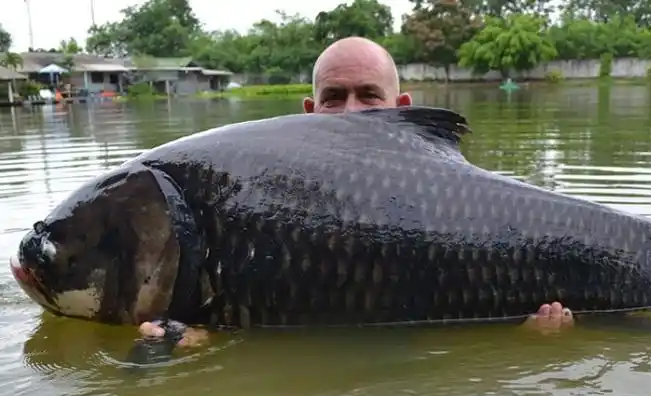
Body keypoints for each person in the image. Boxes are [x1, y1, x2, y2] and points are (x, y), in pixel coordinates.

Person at [139, 36, 573, 348]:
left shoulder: (472, 203)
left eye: (368, 95)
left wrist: (526, 338)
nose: (351, 112)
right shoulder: (269, 194)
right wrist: (191, 342)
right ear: (308, 112)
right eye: (334, 97)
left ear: (402, 109)